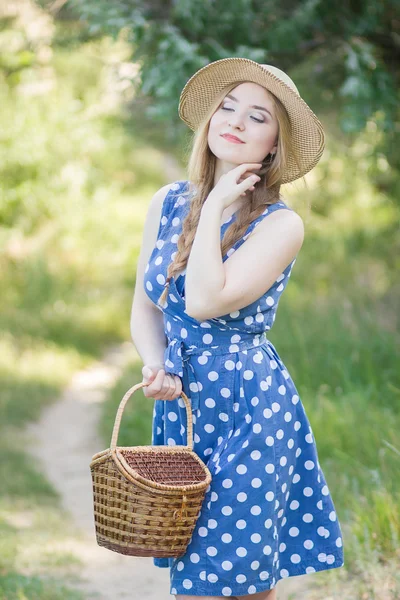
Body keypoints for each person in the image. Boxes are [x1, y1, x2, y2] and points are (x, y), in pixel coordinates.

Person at [130, 57, 345, 600]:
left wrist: (218, 205)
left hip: (250, 407)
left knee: (234, 577)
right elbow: (147, 307)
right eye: (227, 108)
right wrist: (155, 366)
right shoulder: (168, 200)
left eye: (258, 116)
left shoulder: (281, 225)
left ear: (273, 144)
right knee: (200, 569)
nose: (236, 122)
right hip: (183, 404)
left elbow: (204, 301)